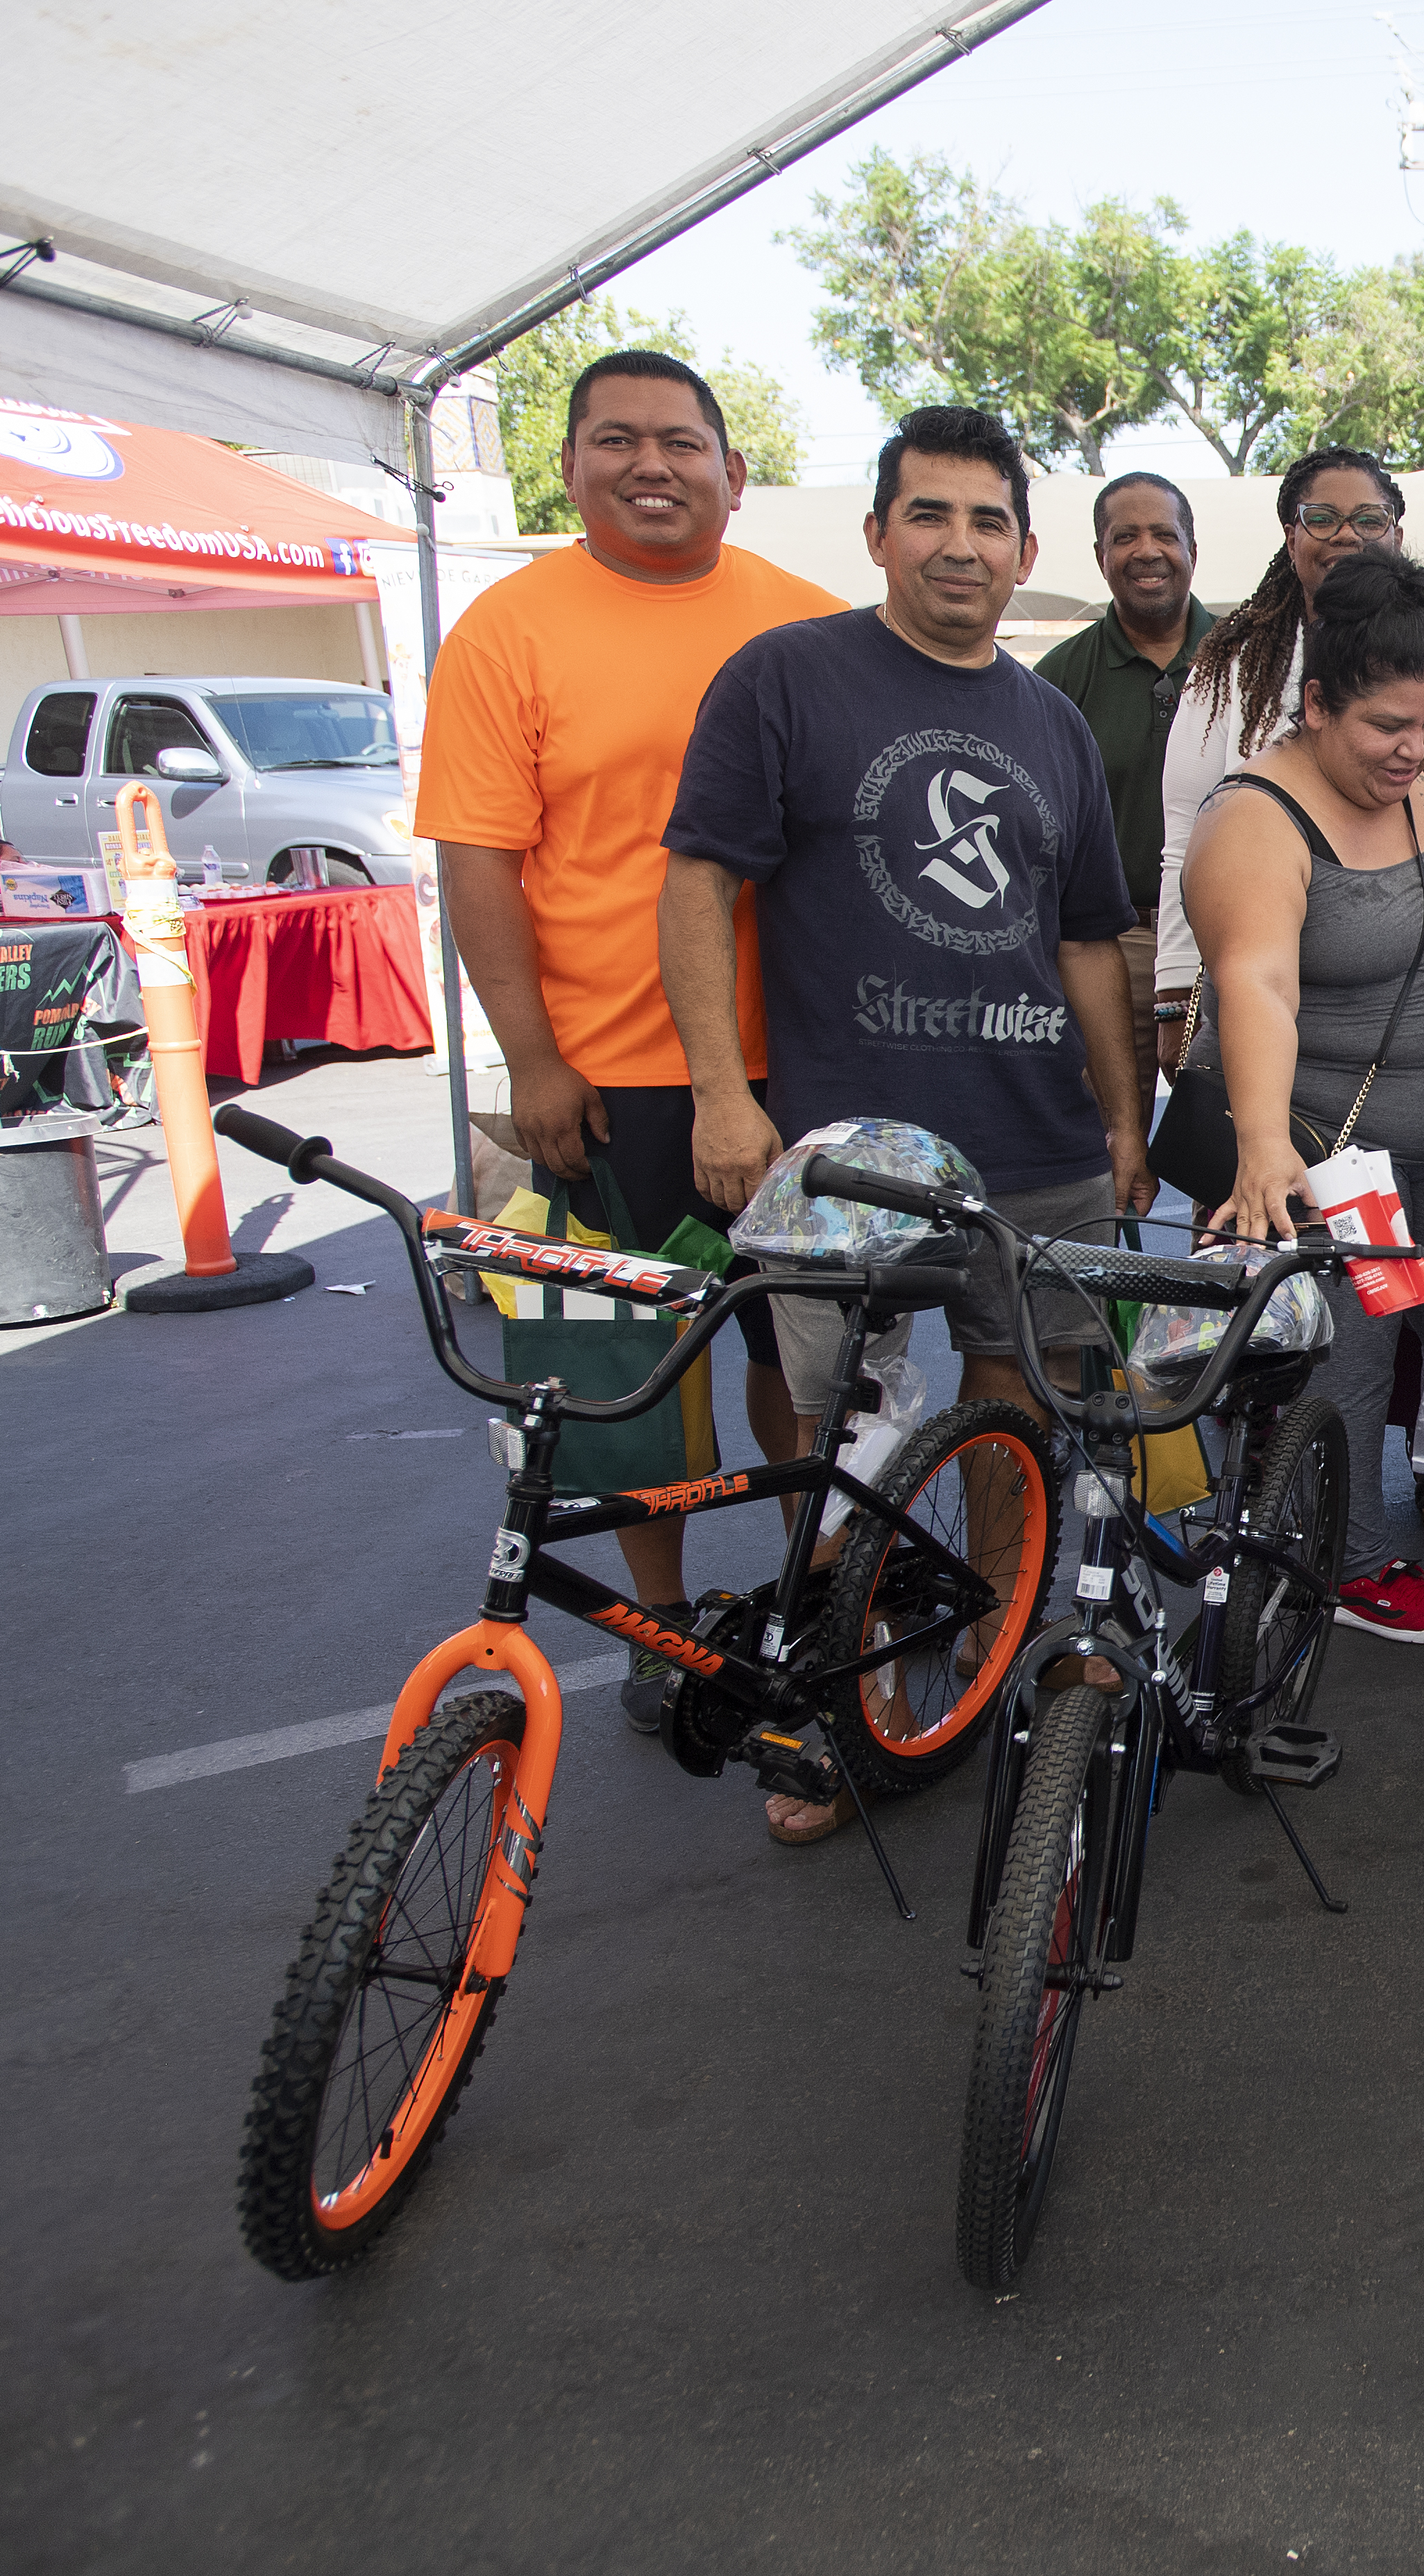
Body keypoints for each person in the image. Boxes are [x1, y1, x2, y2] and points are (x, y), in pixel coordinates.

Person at [659, 404, 1148, 1840]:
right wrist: (719, 1089)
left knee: (1016, 1408)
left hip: (1034, 1139)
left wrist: (1124, 1116)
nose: (958, 543)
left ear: (1025, 551)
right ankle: (828, 1707)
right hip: (851, 1158)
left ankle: (988, 1658)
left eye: (988, 520)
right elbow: (701, 883)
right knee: (839, 1431)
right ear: (876, 533)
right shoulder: (786, 679)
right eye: (928, 514)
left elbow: (1088, 942)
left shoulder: (1052, 723)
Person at [419, 348, 845, 1729]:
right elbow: (479, 860)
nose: (650, 464)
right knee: (619, 1380)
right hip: (602, 1080)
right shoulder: (508, 627)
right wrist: (533, 1057)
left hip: (801, 1066)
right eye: (616, 441)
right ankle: (658, 1626)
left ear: (734, 469)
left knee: (804, 1363)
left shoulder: (812, 627)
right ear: (570, 468)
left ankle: (805, 1590)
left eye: (679, 440)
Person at [1180, 550, 1424, 1646]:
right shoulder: (1255, 818)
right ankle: (1340, 1558)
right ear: (1315, 704)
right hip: (1330, 1154)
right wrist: (1261, 1144)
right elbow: (1252, 981)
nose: (1416, 749)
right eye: (1388, 727)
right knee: (1346, 1357)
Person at [1154, 450, 1424, 1050]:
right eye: (1322, 517)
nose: (1345, 535)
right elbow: (1184, 843)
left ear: (1397, 533)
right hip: (1282, 1018)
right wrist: (1176, 995)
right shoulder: (1231, 671)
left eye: (1368, 519)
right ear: (1290, 535)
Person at [1034, 471, 1213, 1090]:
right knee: (1108, 1139)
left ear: (1193, 548)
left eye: (1165, 533)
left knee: (1227, 1142)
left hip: (1229, 939)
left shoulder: (1247, 659)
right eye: (1125, 536)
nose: (1146, 551)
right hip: (1108, 943)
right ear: (1100, 555)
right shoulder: (1058, 678)